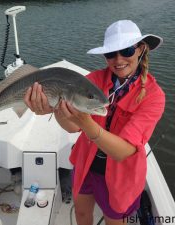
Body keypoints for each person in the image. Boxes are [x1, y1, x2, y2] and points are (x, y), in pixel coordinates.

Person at [24, 20, 165, 225]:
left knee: (114, 222)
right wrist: (56, 107)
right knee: (81, 214)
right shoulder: (93, 80)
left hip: (121, 176)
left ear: (141, 49)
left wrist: (87, 123)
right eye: (110, 54)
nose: (118, 60)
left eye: (126, 50)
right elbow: (72, 127)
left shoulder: (154, 96)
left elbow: (123, 152)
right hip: (85, 164)